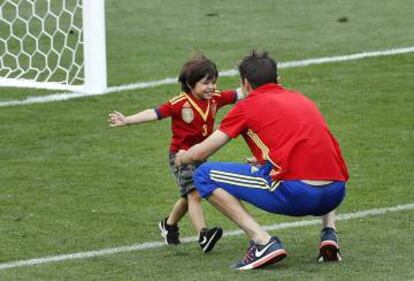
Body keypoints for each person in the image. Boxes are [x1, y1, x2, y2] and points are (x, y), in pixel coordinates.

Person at [175, 50, 349, 270]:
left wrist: (183, 157)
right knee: (320, 158)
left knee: (203, 174)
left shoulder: (246, 106)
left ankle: (262, 242)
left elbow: (201, 153)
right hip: (336, 192)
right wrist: (267, 162)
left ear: (246, 84)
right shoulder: (301, 98)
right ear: (277, 79)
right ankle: (329, 233)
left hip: (299, 194)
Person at [108, 55, 243, 253]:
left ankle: (169, 225)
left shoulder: (215, 99)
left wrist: (265, 84)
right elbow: (155, 113)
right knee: (195, 192)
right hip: (179, 157)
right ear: (190, 83)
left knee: (187, 195)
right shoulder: (180, 103)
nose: (211, 87)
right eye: (206, 82)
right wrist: (128, 120)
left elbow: (240, 93)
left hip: (200, 155)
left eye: (214, 82)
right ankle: (203, 235)